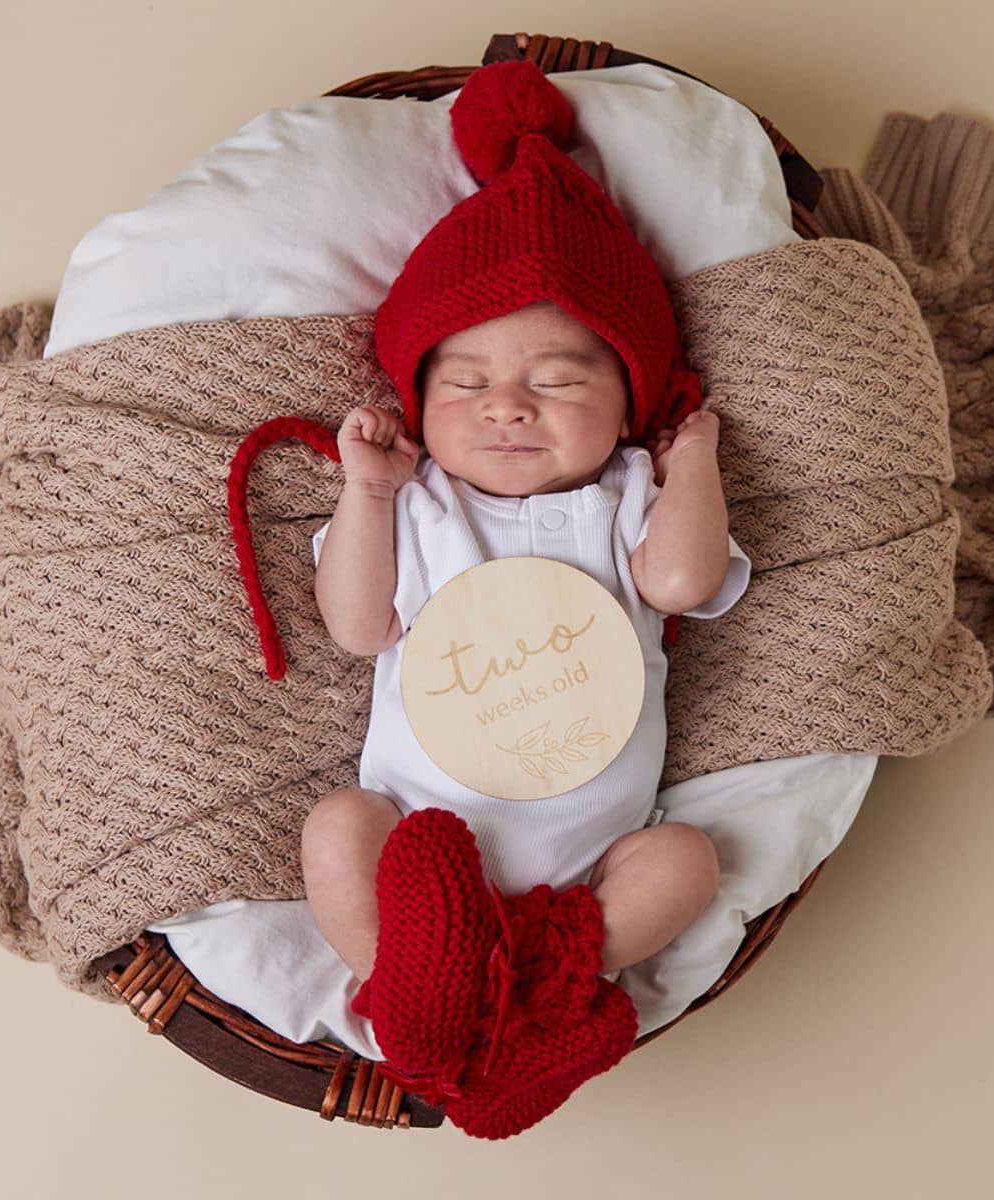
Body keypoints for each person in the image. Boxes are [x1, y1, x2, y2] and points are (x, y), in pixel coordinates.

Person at [229, 59, 751, 1139]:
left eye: (558, 380)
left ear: (630, 403)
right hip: (420, 833)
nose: (507, 407)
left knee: (686, 864)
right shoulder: (421, 507)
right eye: (465, 382)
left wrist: (692, 459)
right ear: (421, 401)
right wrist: (367, 494)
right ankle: (413, 987)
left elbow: (684, 581)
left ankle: (544, 988)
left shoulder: (625, 499)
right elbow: (356, 624)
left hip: (590, 857)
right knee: (337, 830)